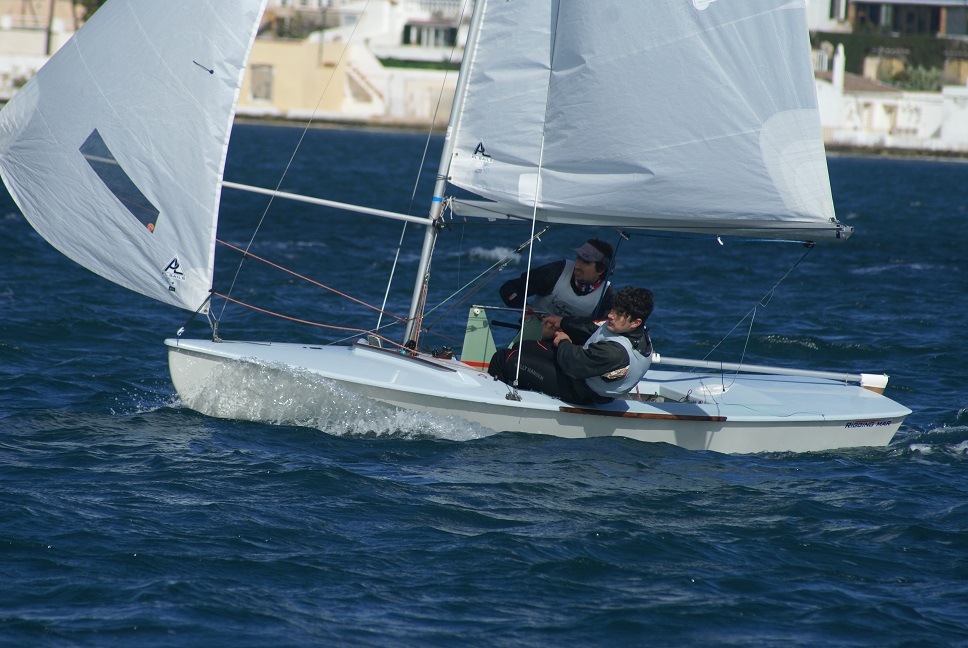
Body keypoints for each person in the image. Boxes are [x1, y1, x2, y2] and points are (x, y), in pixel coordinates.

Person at [488, 286, 654, 405]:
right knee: (522, 346)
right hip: (582, 376)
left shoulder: (615, 352)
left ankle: (494, 405)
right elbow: (594, 326)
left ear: (635, 322)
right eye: (613, 309)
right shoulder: (635, 331)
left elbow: (574, 365)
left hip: (581, 391)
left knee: (504, 358)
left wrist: (563, 341)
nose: (611, 315)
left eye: (619, 314)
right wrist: (563, 322)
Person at [499, 238, 615, 319]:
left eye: (586, 262)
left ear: (601, 270)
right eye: (578, 258)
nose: (577, 266)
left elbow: (598, 329)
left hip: (570, 348)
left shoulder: (606, 297)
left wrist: (563, 324)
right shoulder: (557, 271)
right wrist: (522, 307)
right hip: (532, 336)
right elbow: (509, 289)